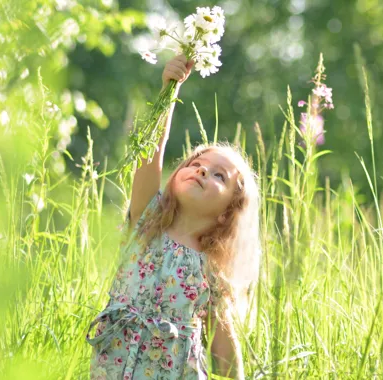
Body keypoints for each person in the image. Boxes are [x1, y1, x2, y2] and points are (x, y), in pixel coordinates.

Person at [86, 55, 262, 380]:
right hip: (113, 369)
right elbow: (151, 153)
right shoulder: (148, 223)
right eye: (196, 164)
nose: (202, 169)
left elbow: (224, 349)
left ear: (228, 213)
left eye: (219, 176)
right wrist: (169, 90)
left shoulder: (213, 270)